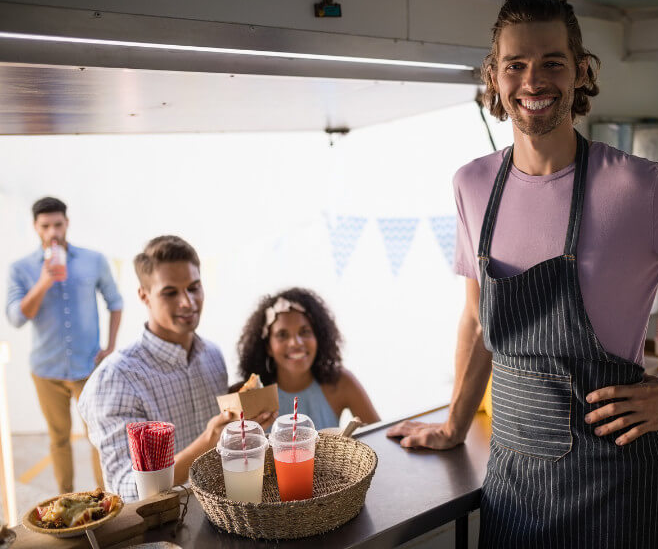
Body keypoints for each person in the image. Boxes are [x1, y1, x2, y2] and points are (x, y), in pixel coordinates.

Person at [387, 0, 658, 548]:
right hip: (514, 489)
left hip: (619, 491)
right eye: (516, 65)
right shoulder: (473, 186)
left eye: (552, 62)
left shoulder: (636, 188)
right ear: (494, 78)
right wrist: (455, 425)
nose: (534, 81)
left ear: (580, 72)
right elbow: (479, 318)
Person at [78, 235, 274, 500]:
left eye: (194, 287)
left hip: (226, 510)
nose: (187, 302)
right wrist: (210, 440)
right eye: (170, 292)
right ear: (144, 296)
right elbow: (126, 491)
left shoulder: (212, 355)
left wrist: (244, 410)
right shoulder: (115, 379)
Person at [5, 196, 122, 493]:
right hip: (46, 370)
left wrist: (109, 347)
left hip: (88, 368)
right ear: (36, 227)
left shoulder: (93, 260)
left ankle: (103, 499)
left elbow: (115, 302)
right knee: (58, 438)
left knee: (98, 436)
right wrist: (44, 281)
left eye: (58, 224)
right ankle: (65, 500)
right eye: (45, 226)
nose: (53, 232)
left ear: (67, 223)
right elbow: (17, 318)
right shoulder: (20, 269)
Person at [236, 288, 379, 429]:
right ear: (268, 346)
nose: (296, 343)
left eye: (305, 332)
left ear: (318, 337)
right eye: (282, 335)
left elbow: (380, 436)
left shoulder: (341, 383)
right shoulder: (245, 395)